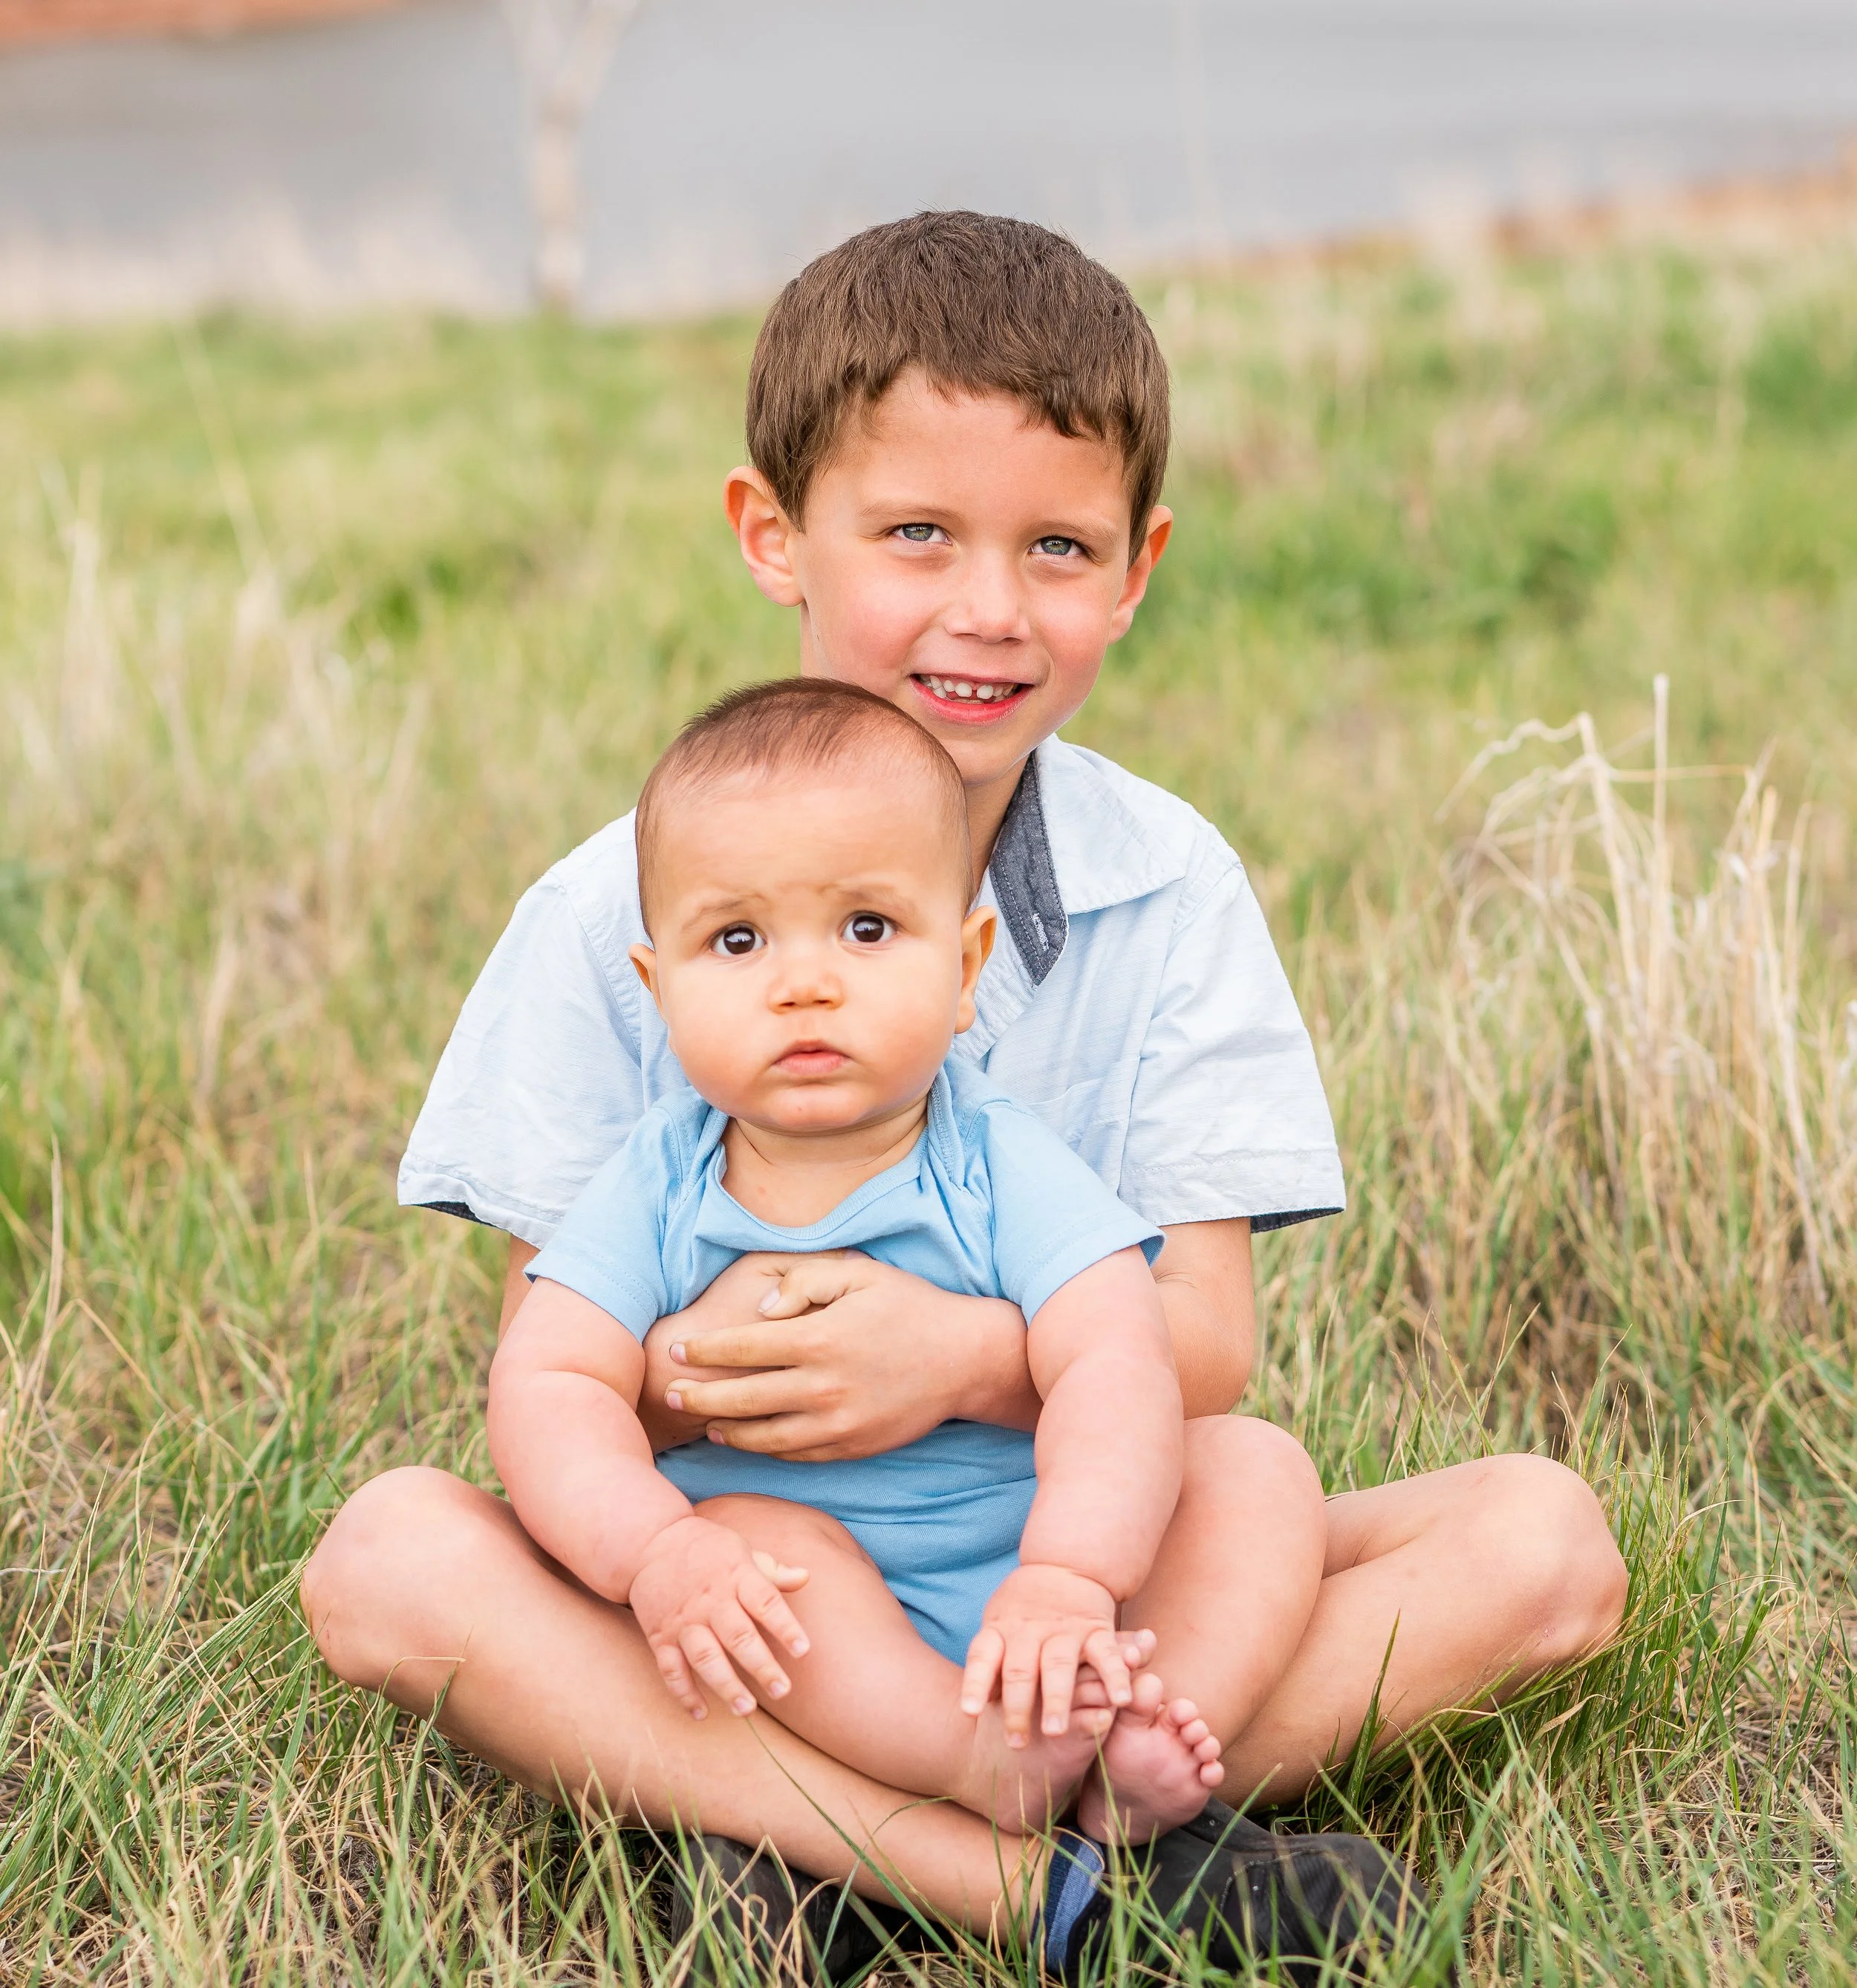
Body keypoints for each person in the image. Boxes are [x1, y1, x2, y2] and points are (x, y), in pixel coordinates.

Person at [302, 209, 1627, 1971]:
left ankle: (915, 1816)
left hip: (1073, 1539)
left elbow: (1204, 1349)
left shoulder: (1170, 885)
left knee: (1528, 1542)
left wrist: (957, 1362)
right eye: (915, 533)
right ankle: (1025, 1881)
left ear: (1136, 569)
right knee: (386, 1561)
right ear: (773, 534)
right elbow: (567, 1388)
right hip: (762, 1586)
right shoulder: (607, 910)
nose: (986, 611)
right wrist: (765, 1401)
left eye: (1057, 548)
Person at [494, 675, 1315, 1854]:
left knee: (1254, 1471)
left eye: (868, 929)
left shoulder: (995, 1160)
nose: (806, 981)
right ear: (656, 987)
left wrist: (1074, 1574)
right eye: (737, 940)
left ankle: (1130, 1725)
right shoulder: (659, 1179)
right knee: (768, 1556)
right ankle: (979, 1765)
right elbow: (547, 1383)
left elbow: (1118, 1354)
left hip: (1041, 1568)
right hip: (811, 1610)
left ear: (966, 962)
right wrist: (658, 1551)